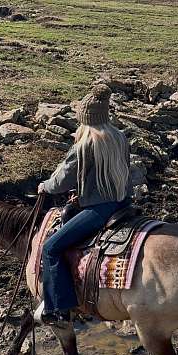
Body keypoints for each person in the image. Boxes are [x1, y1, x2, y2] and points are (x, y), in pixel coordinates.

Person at [35, 84, 133, 326]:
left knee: (50, 248)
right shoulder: (119, 138)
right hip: (122, 202)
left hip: (98, 210)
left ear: (85, 120)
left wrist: (43, 187)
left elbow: (60, 181)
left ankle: (60, 308)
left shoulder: (84, 145)